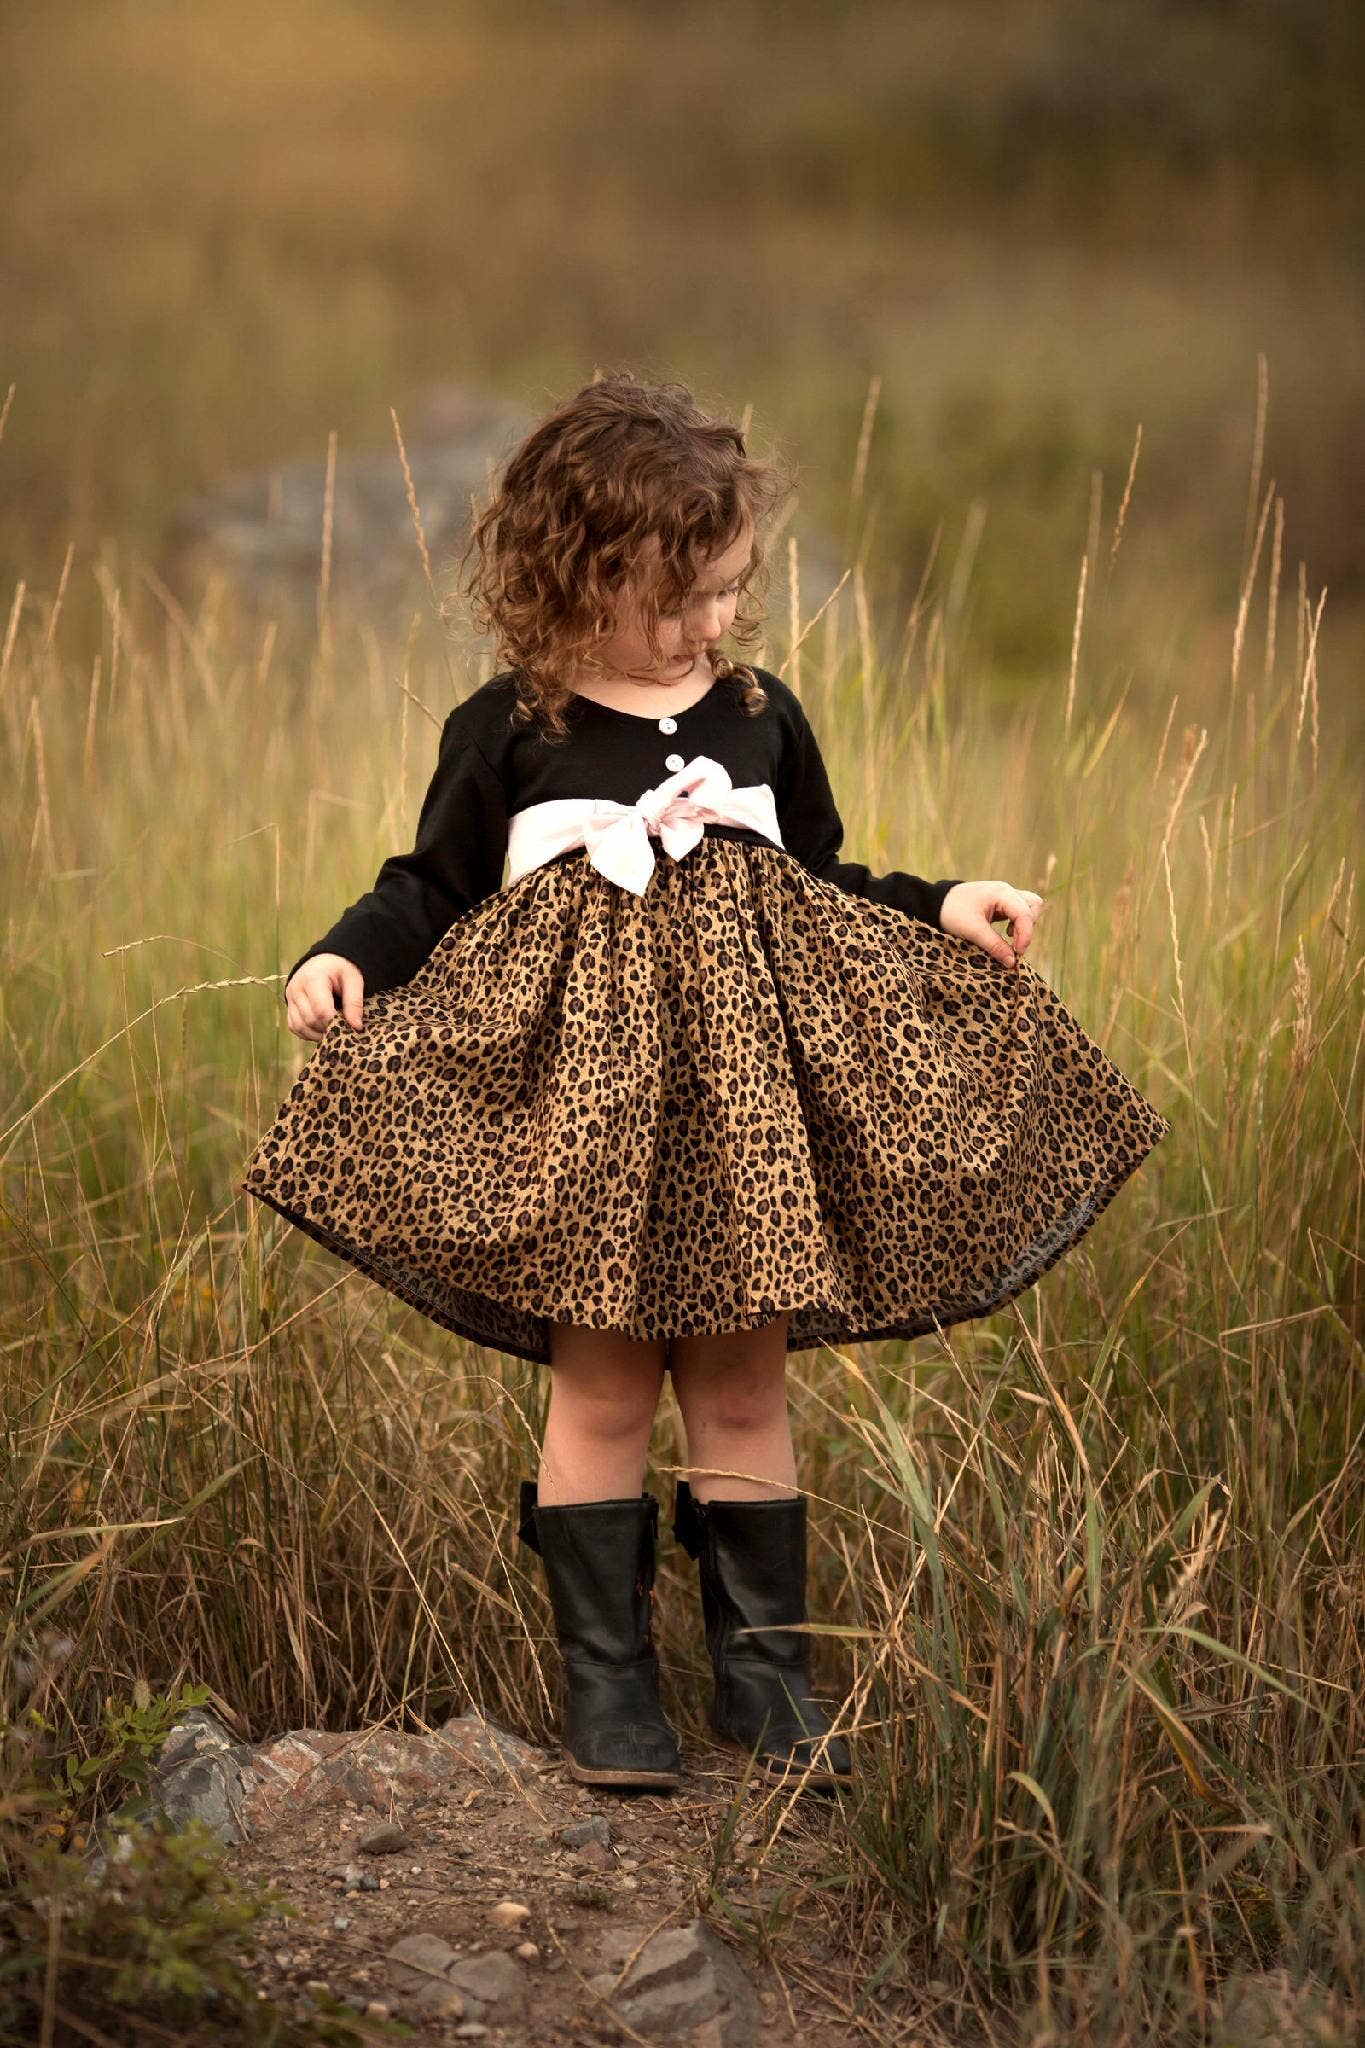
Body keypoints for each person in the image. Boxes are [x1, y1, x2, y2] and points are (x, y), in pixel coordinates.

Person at [238, 371, 1169, 1797]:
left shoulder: (759, 715)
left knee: (741, 1387)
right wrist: (340, 955)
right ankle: (609, 1686)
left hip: (748, 1134)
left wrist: (940, 903)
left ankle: (765, 1675)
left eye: (729, 589)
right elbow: (426, 884)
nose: (713, 622)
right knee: (604, 1391)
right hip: (591, 1136)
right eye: (680, 599)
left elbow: (823, 884)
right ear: (578, 576)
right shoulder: (511, 728)